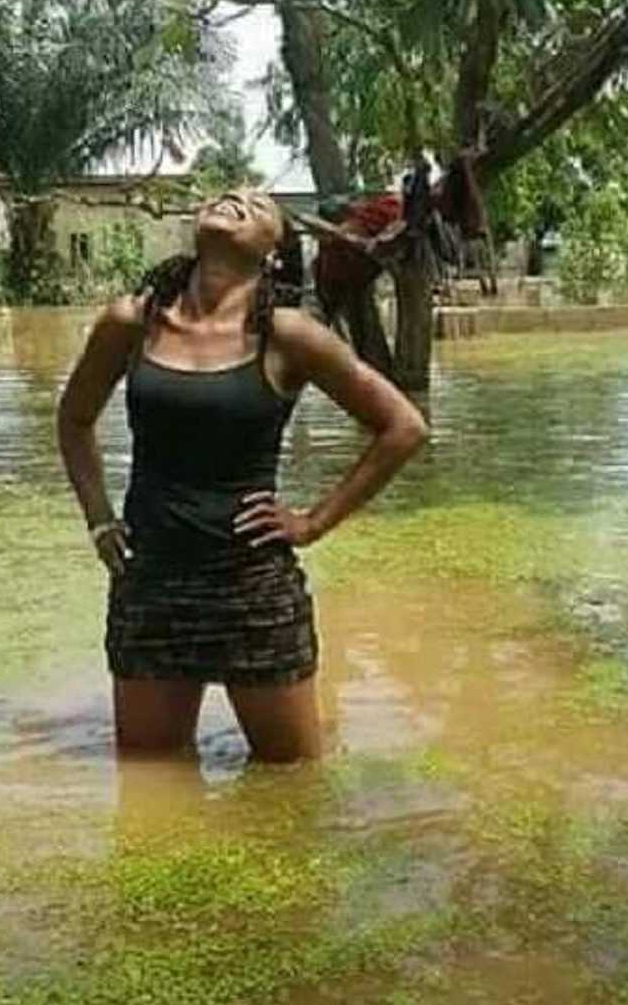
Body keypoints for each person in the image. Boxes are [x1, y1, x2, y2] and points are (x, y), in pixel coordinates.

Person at [57, 190, 428, 763]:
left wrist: (312, 523)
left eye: (257, 205)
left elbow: (403, 426)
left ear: (274, 253)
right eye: (225, 194)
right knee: (151, 785)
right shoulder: (132, 321)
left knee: (293, 786)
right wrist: (100, 521)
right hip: (152, 587)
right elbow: (75, 420)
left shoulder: (289, 335)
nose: (235, 197)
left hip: (253, 589)